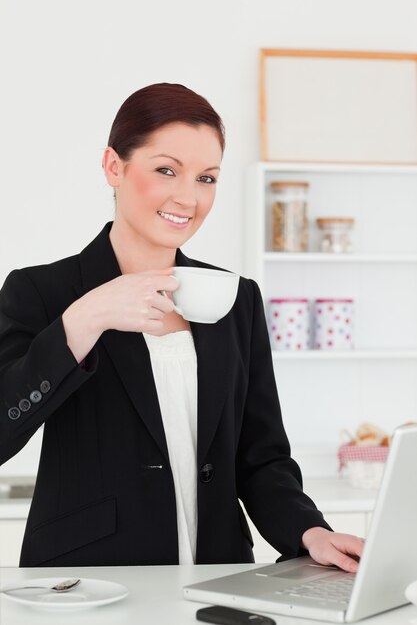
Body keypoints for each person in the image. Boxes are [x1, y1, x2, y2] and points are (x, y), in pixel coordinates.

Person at [0, 83, 363, 570]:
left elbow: (261, 457)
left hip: (216, 569)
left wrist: (308, 532)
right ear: (114, 166)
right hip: (88, 579)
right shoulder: (41, 292)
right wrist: (85, 319)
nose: (188, 198)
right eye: (166, 170)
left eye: (206, 178)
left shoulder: (236, 300)